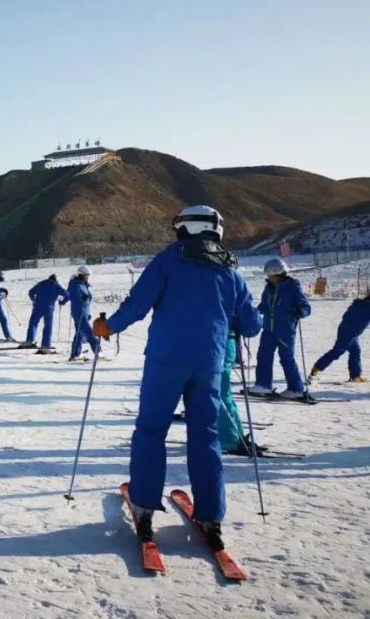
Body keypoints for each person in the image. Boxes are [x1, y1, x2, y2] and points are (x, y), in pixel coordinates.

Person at [93, 205, 262, 551]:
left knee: (152, 430)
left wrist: (108, 326)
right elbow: (251, 325)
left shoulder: (168, 261)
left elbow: (138, 304)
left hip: (166, 361)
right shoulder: (230, 271)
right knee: (206, 436)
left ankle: (143, 507)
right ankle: (211, 515)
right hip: (210, 364)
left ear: (185, 228)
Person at [248, 258, 311, 398]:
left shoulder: (293, 287)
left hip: (285, 330)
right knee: (263, 355)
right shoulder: (268, 289)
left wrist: (302, 311)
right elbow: (264, 305)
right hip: (269, 329)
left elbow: (306, 307)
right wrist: (253, 314)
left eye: (273, 276)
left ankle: (296, 388)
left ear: (281, 274)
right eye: (269, 276)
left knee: (286, 358)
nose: (270, 279)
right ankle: (263, 385)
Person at [308, 292, 370, 384]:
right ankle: (316, 369)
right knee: (338, 351)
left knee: (355, 351)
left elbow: (346, 316)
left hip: (348, 329)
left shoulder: (361, 303)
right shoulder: (368, 306)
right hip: (349, 331)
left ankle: (356, 376)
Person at [22, 274, 68, 349]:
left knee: (33, 323)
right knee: (48, 326)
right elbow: (67, 294)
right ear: (55, 280)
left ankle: (29, 340)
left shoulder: (41, 283)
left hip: (38, 307)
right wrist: (62, 302)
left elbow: (31, 292)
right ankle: (46, 345)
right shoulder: (56, 285)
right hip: (49, 308)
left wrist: (33, 300)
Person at [68, 266, 101, 360]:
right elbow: (72, 294)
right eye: (86, 275)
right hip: (79, 312)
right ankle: (98, 351)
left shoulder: (85, 284)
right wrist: (81, 296)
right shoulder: (75, 284)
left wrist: (88, 312)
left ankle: (75, 354)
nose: (88, 277)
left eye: (88, 275)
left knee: (80, 333)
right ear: (81, 275)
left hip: (85, 312)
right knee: (89, 332)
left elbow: (88, 298)